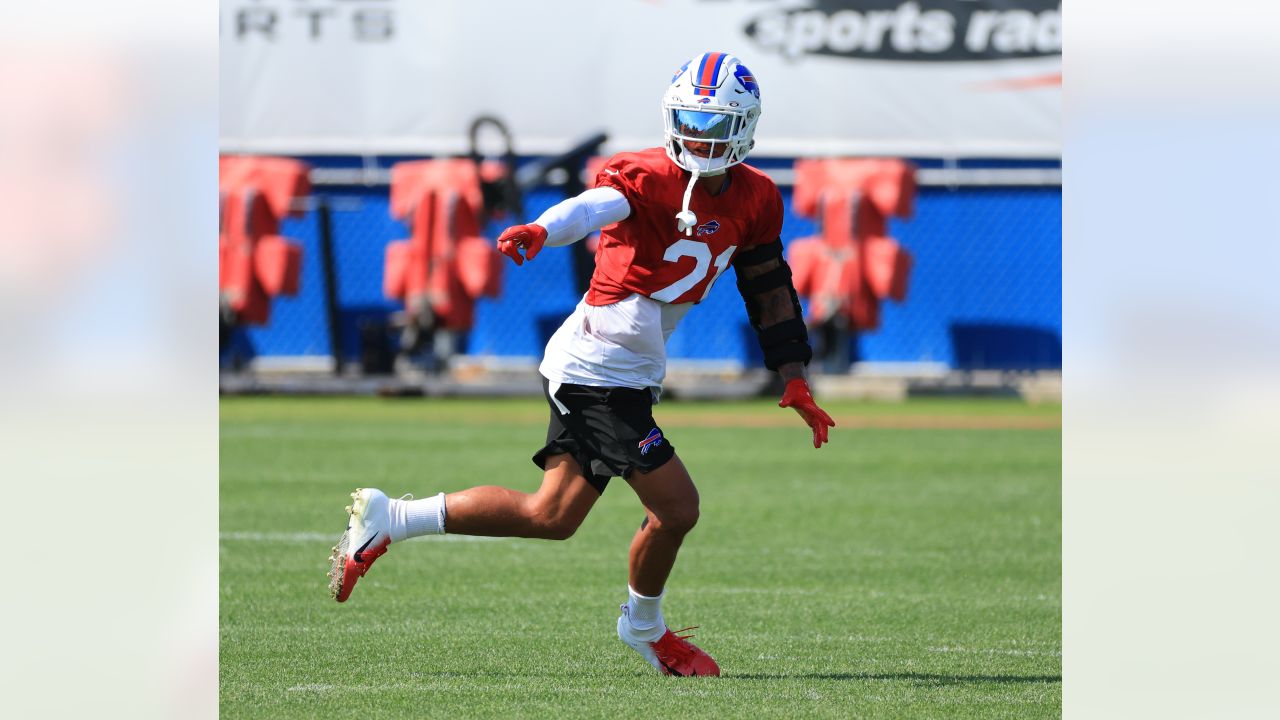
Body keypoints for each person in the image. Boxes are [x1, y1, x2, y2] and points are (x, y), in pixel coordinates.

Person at [327, 51, 835, 677]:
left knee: (553, 515)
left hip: (626, 369)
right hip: (596, 370)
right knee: (678, 508)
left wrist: (793, 373)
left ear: (745, 127)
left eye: (716, 124)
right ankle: (645, 628)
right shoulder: (645, 176)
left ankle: (391, 519)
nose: (700, 137)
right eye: (691, 121)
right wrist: (543, 228)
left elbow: (767, 283)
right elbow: (594, 207)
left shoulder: (757, 196)